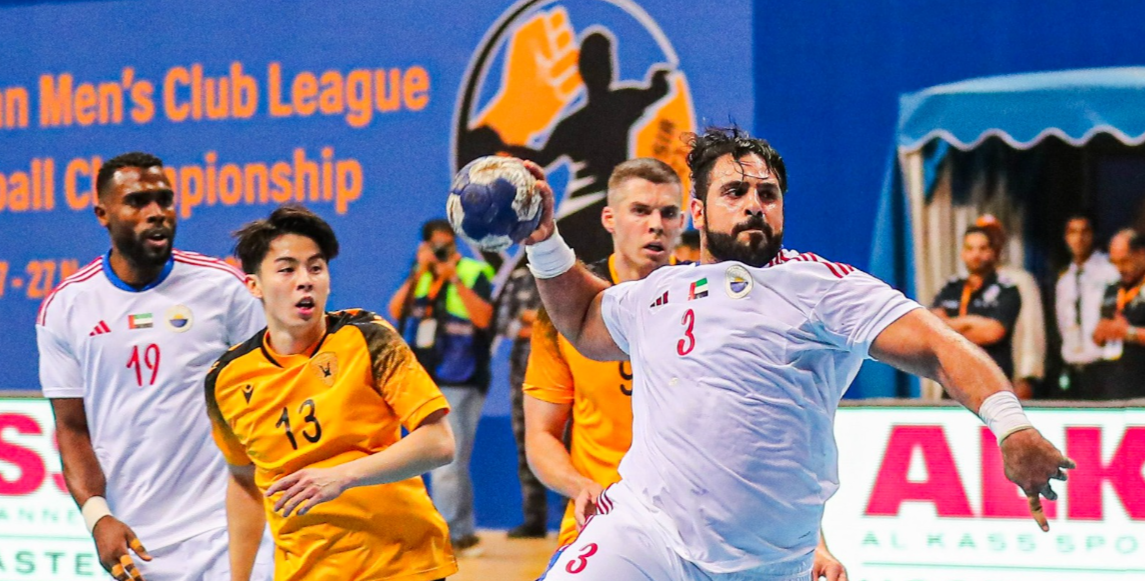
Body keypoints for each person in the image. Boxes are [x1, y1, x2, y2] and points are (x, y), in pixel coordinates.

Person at [516, 127, 1071, 581]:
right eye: (735, 192)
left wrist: (1011, 426)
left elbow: (936, 346)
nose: (754, 205)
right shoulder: (658, 292)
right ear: (699, 213)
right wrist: (543, 241)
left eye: (768, 194)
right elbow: (582, 318)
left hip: (769, 563)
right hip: (646, 535)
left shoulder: (824, 287)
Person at [525, 157, 846, 580]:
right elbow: (541, 436)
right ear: (609, 219)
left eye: (667, 213)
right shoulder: (568, 314)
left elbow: (771, 445)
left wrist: (815, 545)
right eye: (640, 211)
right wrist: (579, 484)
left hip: (712, 544)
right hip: (608, 525)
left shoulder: (727, 304)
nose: (655, 225)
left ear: (687, 220)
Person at [36, 152, 273, 581]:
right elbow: (72, 429)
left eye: (164, 200)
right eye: (137, 202)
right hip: (140, 543)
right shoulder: (66, 308)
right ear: (103, 214)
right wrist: (97, 517)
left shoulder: (224, 289)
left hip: (231, 526)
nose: (157, 213)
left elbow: (275, 392)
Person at [205, 205, 458, 580]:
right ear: (254, 285)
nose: (305, 281)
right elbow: (244, 481)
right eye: (287, 269)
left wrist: (343, 475)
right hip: (305, 571)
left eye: (316, 268)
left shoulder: (367, 337)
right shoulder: (226, 378)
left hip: (402, 564)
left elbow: (439, 442)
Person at [387, 218, 494, 553]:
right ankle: (461, 532)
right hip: (426, 376)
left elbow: (484, 318)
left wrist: (454, 279)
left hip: (463, 377)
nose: (442, 250)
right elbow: (395, 310)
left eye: (447, 244)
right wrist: (418, 273)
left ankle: (451, 535)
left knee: (452, 461)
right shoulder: (420, 276)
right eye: (435, 245)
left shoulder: (474, 272)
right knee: (450, 463)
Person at [493, 264, 547, 538]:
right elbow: (502, 324)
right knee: (527, 443)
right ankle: (534, 519)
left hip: (564, 373)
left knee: (571, 442)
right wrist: (543, 324)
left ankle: (575, 515)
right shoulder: (518, 281)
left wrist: (530, 320)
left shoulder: (566, 278)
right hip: (523, 376)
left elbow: (569, 323)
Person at [931, 226, 1023, 383]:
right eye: (970, 248)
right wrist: (971, 322)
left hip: (991, 377)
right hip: (952, 378)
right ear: (962, 253)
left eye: (982, 248)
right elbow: (933, 326)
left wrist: (950, 327)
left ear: (992, 252)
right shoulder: (951, 287)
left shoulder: (1007, 289)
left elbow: (993, 332)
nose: (976, 255)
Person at [975, 215, 1047, 399]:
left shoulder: (1019, 280)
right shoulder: (964, 282)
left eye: (994, 237)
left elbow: (1031, 329)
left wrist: (1027, 376)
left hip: (1008, 374)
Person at [1054, 214, 1119, 398]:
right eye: (1073, 232)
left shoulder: (1110, 271)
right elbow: (1062, 324)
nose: (1079, 238)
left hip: (1104, 365)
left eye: (1085, 231)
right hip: (1073, 367)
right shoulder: (1064, 279)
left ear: (1093, 235)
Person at [1092, 228, 1145, 399]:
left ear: (1141, 254)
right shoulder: (1113, 290)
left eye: (1125, 261)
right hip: (1113, 383)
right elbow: (1101, 333)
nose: (1120, 268)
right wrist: (1099, 334)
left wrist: (1129, 333)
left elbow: (1122, 331)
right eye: (1115, 263)